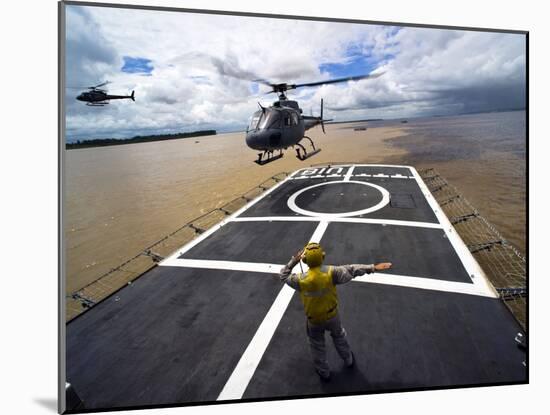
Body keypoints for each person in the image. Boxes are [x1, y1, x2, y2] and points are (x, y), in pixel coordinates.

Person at [278, 242, 392, 381]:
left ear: (305, 260)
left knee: (317, 345)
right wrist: (372, 267)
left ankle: (323, 372)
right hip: (332, 316)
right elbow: (352, 270)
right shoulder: (332, 272)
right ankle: (348, 359)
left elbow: (283, 275)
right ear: (322, 257)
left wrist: (293, 261)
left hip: (314, 321)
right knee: (339, 336)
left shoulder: (300, 280)